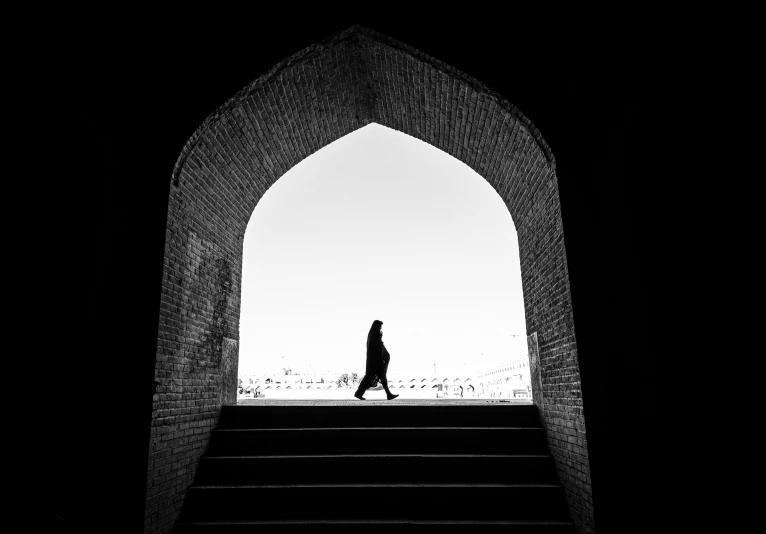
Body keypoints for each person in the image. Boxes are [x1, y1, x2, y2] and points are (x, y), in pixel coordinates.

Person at [354, 320, 399, 401]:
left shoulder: (373, 336)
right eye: (380, 326)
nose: (381, 328)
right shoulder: (374, 336)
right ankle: (388, 394)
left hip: (374, 361)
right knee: (379, 377)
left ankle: (359, 393)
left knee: (371, 377)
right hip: (375, 361)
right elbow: (377, 348)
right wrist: (382, 358)